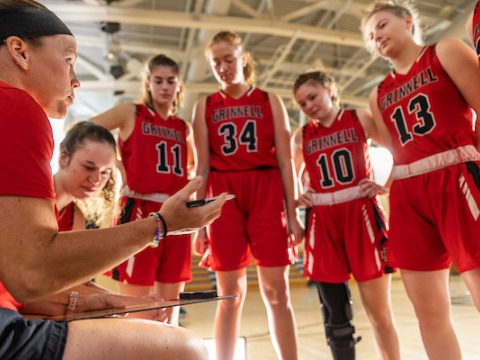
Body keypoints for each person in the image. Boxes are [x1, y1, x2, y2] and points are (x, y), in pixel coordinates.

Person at [0, 1, 227, 359]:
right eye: (69, 59)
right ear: (19, 52)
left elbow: (17, 274)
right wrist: (161, 224)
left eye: (105, 172)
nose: (76, 80)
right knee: (187, 348)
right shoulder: (16, 105)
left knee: (157, 313)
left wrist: (83, 301)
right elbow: (29, 274)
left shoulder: (181, 127)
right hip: (150, 209)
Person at [362, 1, 480, 359]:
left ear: (408, 21)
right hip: (408, 192)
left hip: (457, 174)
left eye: (382, 25)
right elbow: (396, 152)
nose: (376, 36)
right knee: (427, 309)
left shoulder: (444, 51)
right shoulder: (377, 94)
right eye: (370, 35)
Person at [191, 30, 304, 360]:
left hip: (266, 191)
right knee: (229, 295)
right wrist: (199, 224)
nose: (223, 67)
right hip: (223, 196)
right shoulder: (204, 105)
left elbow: (285, 160)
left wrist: (294, 213)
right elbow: (201, 168)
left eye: (228, 59)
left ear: (243, 59)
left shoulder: (269, 100)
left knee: (276, 291)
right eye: (216, 63)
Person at [291, 70, 401, 360]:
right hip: (322, 220)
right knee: (336, 317)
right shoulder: (301, 136)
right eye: (302, 104)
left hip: (361, 213)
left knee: (379, 313)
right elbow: (292, 177)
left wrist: (386, 186)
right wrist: (297, 197)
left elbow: (398, 148)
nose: (309, 106)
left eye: (312, 97)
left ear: (329, 89)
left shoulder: (359, 118)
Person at [89, 54, 194, 325]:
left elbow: (192, 168)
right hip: (140, 209)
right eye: (158, 80)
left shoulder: (184, 128)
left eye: (171, 81)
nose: (164, 86)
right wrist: (117, 165)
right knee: (137, 310)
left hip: (177, 216)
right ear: (147, 83)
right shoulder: (130, 112)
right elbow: (86, 129)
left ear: (179, 85)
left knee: (169, 310)